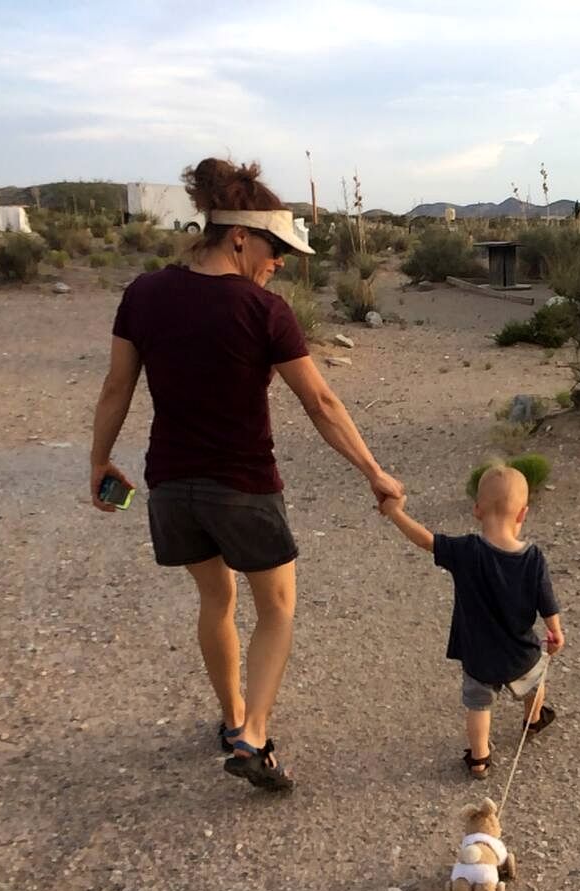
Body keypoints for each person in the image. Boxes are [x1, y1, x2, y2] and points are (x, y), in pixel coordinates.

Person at [89, 157, 402, 791]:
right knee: (278, 607)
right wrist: (373, 470)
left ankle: (231, 720)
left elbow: (117, 386)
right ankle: (254, 736)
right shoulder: (264, 310)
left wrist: (99, 461)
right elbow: (321, 403)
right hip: (244, 487)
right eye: (275, 245)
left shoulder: (143, 294)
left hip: (171, 486)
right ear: (238, 234)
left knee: (215, 598)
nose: (281, 260)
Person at [378, 465, 563, 779]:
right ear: (522, 514)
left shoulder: (465, 551)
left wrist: (395, 512)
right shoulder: (533, 558)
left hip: (478, 656)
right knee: (535, 683)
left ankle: (479, 759)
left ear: (477, 510)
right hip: (521, 652)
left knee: (479, 705)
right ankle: (532, 720)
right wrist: (555, 631)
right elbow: (546, 601)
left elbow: (425, 540)